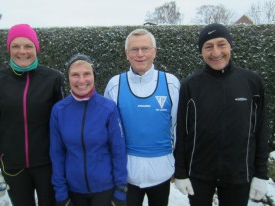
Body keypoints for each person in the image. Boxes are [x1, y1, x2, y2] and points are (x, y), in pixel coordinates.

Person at [174, 23, 269, 206]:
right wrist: (181, 173)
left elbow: (261, 130)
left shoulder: (251, 82)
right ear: (201, 51)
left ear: (230, 45)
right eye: (208, 46)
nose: (216, 52)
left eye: (221, 44)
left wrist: (261, 174)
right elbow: (182, 133)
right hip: (199, 175)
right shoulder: (190, 85)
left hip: (239, 174)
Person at [0, 24, 64, 206]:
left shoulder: (53, 78)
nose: (22, 51)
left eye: (28, 46)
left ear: (36, 48)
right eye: (16, 46)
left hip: (47, 165)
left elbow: (62, 124)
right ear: (9, 49)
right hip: (13, 167)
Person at [104, 29, 180, 206]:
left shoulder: (171, 83)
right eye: (134, 49)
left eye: (145, 48)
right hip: (127, 174)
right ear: (126, 54)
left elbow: (177, 127)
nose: (140, 54)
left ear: (155, 52)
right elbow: (107, 131)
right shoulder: (115, 84)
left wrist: (178, 165)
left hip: (162, 172)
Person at [49, 53, 127, 206]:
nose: (82, 80)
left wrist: (120, 189)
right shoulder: (59, 110)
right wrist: (61, 193)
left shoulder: (108, 108)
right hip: (73, 191)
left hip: (104, 189)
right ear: (68, 78)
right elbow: (56, 154)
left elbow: (119, 151)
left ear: (94, 76)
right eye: (75, 75)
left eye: (87, 74)